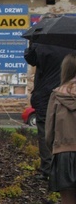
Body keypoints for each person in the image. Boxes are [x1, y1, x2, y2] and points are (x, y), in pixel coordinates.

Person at [24, 13, 74, 180]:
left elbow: (29, 58)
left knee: (46, 132)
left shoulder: (42, 44)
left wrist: (33, 40)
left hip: (47, 96)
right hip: (71, 92)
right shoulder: (71, 45)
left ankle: (48, 170)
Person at [46, 52, 76, 203]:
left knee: (68, 200)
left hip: (63, 152)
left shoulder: (57, 95)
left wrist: (53, 147)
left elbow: (49, 131)